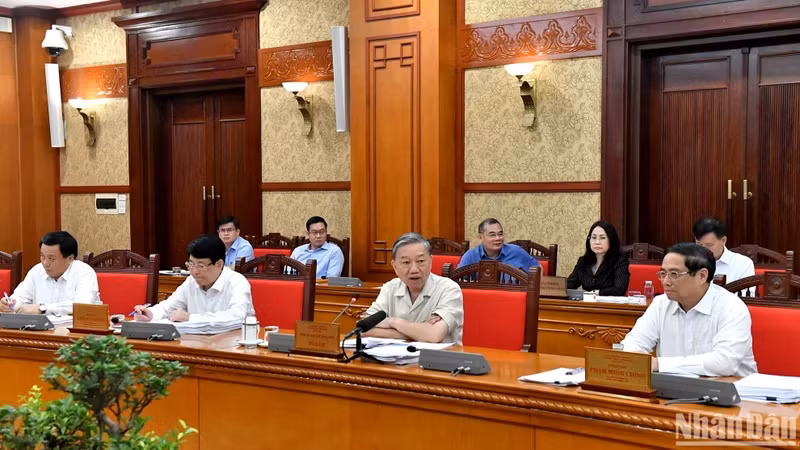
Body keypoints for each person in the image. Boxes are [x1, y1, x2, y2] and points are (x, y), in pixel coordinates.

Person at [620, 243, 757, 377]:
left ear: (702, 276)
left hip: (733, 394)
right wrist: (633, 356)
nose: (665, 281)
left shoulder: (731, 307)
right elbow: (632, 344)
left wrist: (659, 365)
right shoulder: (660, 304)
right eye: (663, 273)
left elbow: (724, 362)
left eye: (674, 274)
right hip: (672, 390)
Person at [363, 232, 464, 344]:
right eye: (406, 262)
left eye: (420, 261)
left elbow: (434, 335)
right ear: (395, 266)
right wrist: (419, 333)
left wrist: (393, 322)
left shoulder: (449, 289)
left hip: (438, 360)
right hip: (395, 359)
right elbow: (364, 329)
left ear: (430, 261)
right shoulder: (390, 288)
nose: (414, 269)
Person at [133, 235, 253, 324]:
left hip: (231, 347)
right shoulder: (191, 281)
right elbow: (169, 306)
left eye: (201, 266)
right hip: (194, 343)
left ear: (219, 264)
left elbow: (238, 316)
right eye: (191, 264)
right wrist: (150, 314)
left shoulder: (237, 282)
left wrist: (191, 318)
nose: (194, 271)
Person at [0, 231, 100, 316]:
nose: (45, 263)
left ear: (70, 258)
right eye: (42, 256)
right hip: (41, 332)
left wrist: (43, 308)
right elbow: (20, 296)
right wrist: (11, 304)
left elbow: (82, 306)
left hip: (76, 333)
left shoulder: (84, 272)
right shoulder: (37, 271)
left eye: (51, 258)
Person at [566, 221, 630, 295]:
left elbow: (619, 290)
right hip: (587, 305)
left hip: (609, 305)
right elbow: (570, 285)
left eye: (602, 238)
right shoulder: (583, 261)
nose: (597, 242)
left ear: (611, 240)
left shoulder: (620, 262)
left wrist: (596, 293)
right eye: (593, 237)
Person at [457, 218, 539, 271]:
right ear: (480, 237)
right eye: (492, 235)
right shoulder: (471, 256)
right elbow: (457, 279)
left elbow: (538, 268)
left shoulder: (516, 251)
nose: (498, 238)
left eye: (500, 234)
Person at [693, 217, 755, 284]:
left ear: (723, 240)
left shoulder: (742, 263)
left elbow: (745, 293)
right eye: (699, 245)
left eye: (709, 245)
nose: (703, 250)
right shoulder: (688, 262)